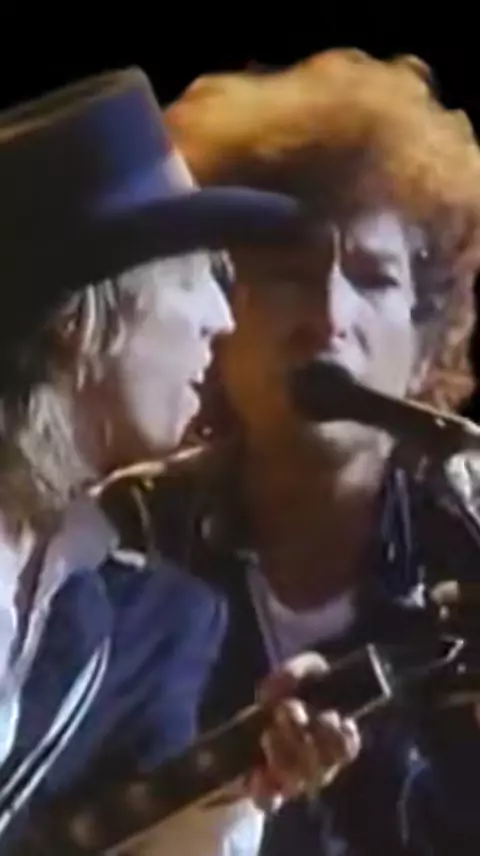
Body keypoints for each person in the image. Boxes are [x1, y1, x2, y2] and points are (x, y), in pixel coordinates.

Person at [111, 50, 480, 855]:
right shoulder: (119, 540)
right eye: (285, 274)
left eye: (374, 278)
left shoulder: (468, 539)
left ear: (426, 340)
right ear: (215, 312)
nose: (329, 317)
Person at [0, 67, 359, 854]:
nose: (222, 318)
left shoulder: (141, 614)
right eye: (195, 278)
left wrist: (238, 787)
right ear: (80, 321)